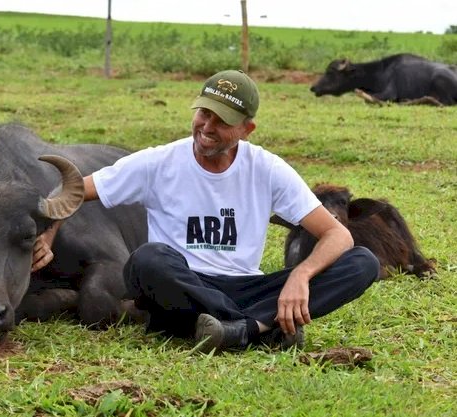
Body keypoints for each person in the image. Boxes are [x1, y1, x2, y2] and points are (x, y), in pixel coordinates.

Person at [32, 69, 380, 353]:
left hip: (246, 286)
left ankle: (240, 329)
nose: (207, 128)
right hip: (182, 289)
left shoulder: (267, 169)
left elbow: (338, 234)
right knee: (147, 259)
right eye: (204, 113)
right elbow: (75, 188)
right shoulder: (159, 161)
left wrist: (300, 276)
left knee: (362, 262)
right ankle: (260, 328)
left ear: (247, 129)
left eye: (223, 120)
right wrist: (49, 230)